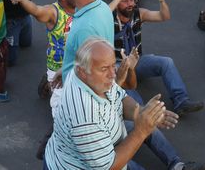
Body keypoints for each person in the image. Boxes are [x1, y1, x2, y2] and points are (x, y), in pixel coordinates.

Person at [3, 0, 132, 109]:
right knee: (59, 105)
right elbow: (36, 10)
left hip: (75, 74)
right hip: (61, 68)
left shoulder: (84, 7)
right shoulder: (60, 10)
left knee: (65, 110)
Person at [44, 38, 179, 170]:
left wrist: (141, 113)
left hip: (102, 149)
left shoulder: (87, 74)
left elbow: (118, 96)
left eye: (113, 65)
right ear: (82, 72)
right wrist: (141, 131)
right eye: (104, 69)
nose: (113, 74)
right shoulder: (85, 118)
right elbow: (110, 166)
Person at [110, 0, 205, 116]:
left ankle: (181, 100)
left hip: (137, 60)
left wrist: (162, 1)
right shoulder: (108, 18)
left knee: (166, 62)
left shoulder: (139, 13)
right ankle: (141, 114)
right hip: (119, 65)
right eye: (125, 1)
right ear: (117, 2)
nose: (130, 4)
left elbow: (163, 16)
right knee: (127, 90)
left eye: (132, 0)